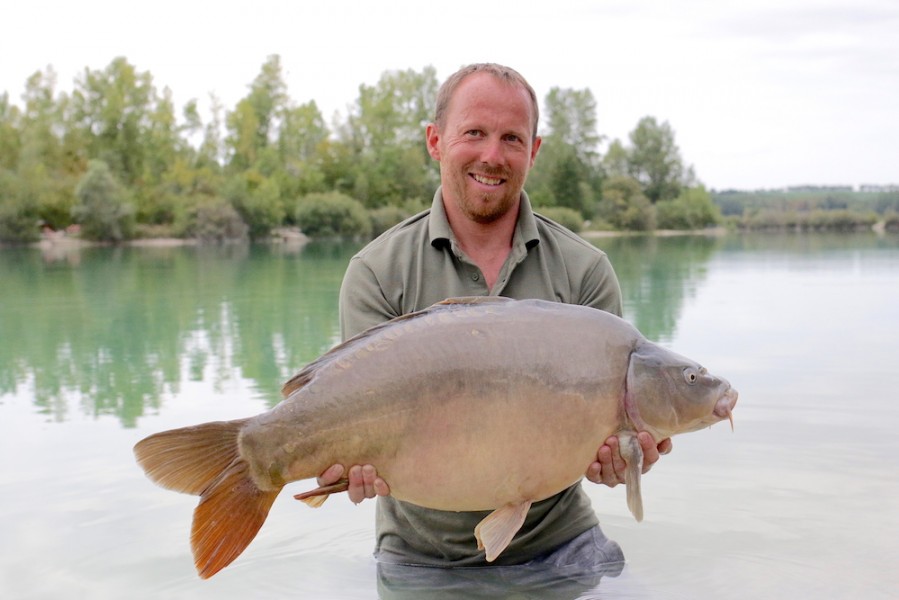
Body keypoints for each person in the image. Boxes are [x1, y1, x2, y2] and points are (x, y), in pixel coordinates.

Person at [318, 63, 672, 571]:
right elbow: (360, 419)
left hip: (563, 547)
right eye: (474, 133)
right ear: (435, 140)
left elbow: (601, 442)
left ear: (533, 151)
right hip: (420, 558)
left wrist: (622, 462)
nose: (492, 155)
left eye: (512, 138)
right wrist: (347, 466)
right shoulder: (377, 272)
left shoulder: (584, 271)